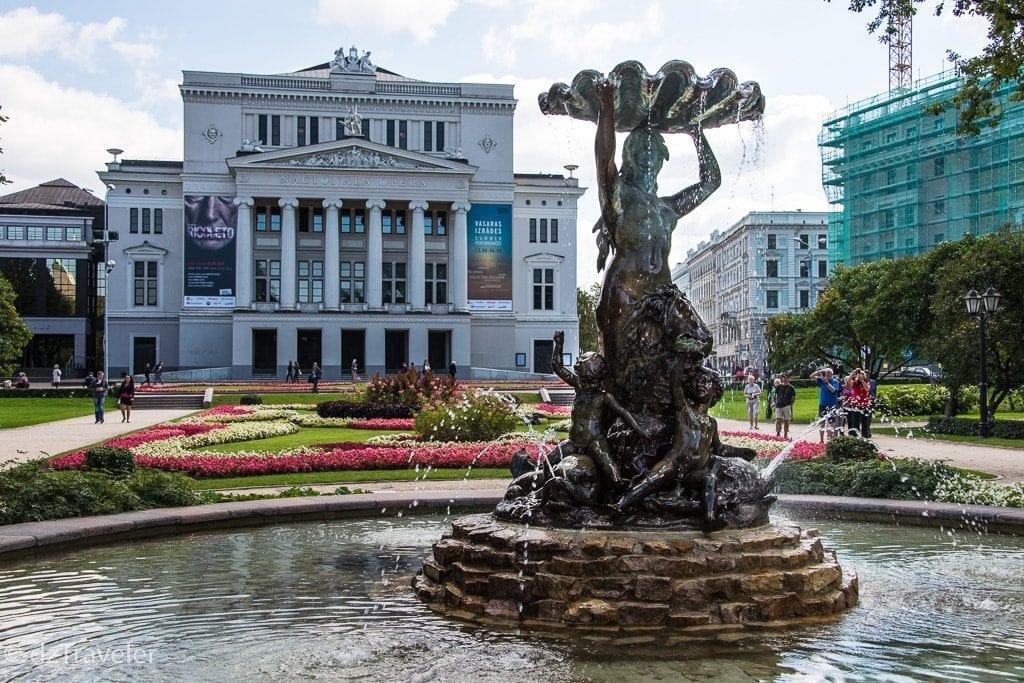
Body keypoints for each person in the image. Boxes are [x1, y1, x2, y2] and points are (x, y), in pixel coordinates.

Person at [548, 330, 650, 487]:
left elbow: (623, 412)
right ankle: (548, 490)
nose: (578, 368)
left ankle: (620, 490)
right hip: (574, 441)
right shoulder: (579, 387)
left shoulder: (604, 397)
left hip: (594, 441)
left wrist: (639, 429)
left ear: (592, 371)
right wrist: (558, 345)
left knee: (609, 467)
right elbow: (557, 366)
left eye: (582, 365)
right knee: (548, 461)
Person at [811, 367, 842, 443]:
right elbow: (811, 376)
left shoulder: (835, 382)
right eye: (826, 373)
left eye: (829, 373)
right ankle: (821, 440)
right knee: (822, 422)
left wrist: (827, 382)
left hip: (831, 405)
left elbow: (833, 390)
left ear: (832, 374)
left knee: (832, 423)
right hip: (823, 404)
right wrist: (820, 371)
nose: (827, 374)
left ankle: (831, 438)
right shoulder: (821, 380)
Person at [844, 369, 872, 437]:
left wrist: (862, 380)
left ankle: (865, 437)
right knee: (855, 422)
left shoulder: (867, 382)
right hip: (855, 405)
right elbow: (848, 382)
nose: (860, 376)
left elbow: (867, 389)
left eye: (862, 374)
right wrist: (853, 373)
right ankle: (855, 437)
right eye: (859, 374)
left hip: (864, 405)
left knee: (865, 422)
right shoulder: (855, 383)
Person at [773, 373, 797, 439]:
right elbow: (775, 395)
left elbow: (793, 397)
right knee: (778, 419)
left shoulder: (791, 388)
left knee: (786, 420)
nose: (784, 379)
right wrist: (774, 403)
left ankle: (785, 434)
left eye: (786, 378)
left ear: (788, 379)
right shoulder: (779, 386)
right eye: (783, 378)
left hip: (786, 405)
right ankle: (778, 432)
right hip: (779, 405)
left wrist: (790, 404)